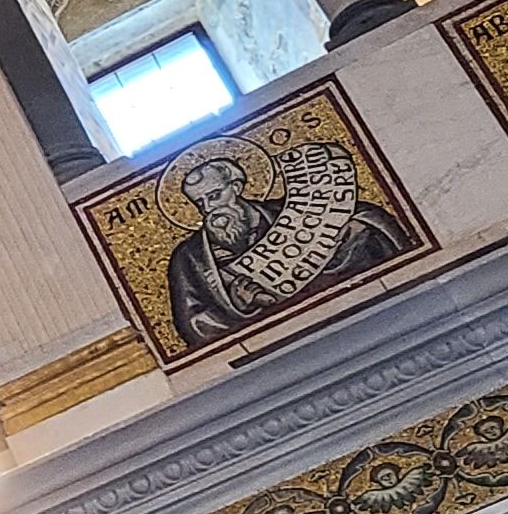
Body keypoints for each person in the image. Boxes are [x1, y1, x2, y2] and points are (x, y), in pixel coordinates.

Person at [161, 136, 417, 352]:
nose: (209, 209)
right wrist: (238, 304)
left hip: (375, 319)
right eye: (200, 203)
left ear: (236, 187)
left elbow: (367, 218)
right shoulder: (189, 257)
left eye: (215, 196)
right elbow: (193, 325)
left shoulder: (299, 211)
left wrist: (348, 243)